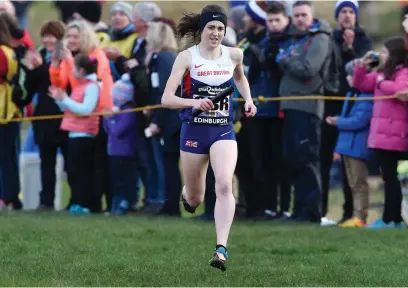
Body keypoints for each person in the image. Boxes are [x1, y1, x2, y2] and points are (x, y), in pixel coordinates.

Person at [161, 4, 257, 271]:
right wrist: (193, 102)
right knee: (195, 199)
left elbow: (240, 79)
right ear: (201, 30)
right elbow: (166, 99)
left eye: (220, 28)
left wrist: (248, 100)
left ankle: (221, 249)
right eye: (211, 28)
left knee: (225, 184)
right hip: (193, 132)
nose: (215, 33)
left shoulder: (235, 54)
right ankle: (187, 194)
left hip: (223, 130)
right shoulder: (186, 58)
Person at [49, 54, 103, 215]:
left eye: (73, 68)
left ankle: (84, 204)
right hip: (74, 134)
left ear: (80, 70)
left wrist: (65, 99)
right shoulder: (80, 86)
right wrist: (60, 99)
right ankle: (77, 202)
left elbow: (86, 109)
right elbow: (69, 108)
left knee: (81, 172)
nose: (71, 71)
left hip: (84, 135)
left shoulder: (92, 86)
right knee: (73, 171)